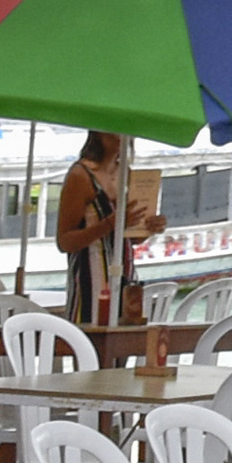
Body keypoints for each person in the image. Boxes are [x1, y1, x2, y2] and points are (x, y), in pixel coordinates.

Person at [56, 131, 167, 325]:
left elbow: (127, 238)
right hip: (90, 280)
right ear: (99, 132)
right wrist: (110, 223)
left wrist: (147, 228)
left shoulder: (126, 173)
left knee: (122, 346)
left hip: (125, 278)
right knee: (91, 349)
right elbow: (65, 241)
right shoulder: (80, 175)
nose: (122, 137)